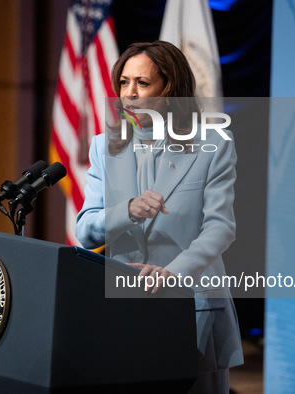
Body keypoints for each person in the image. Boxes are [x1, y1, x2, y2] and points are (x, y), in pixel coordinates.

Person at [75, 40, 243, 394]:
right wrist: (126, 211)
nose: (129, 94)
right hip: (124, 311)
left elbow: (220, 228)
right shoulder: (103, 147)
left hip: (192, 309)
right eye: (123, 82)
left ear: (170, 89)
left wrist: (171, 274)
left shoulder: (213, 145)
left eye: (142, 83)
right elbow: (85, 231)